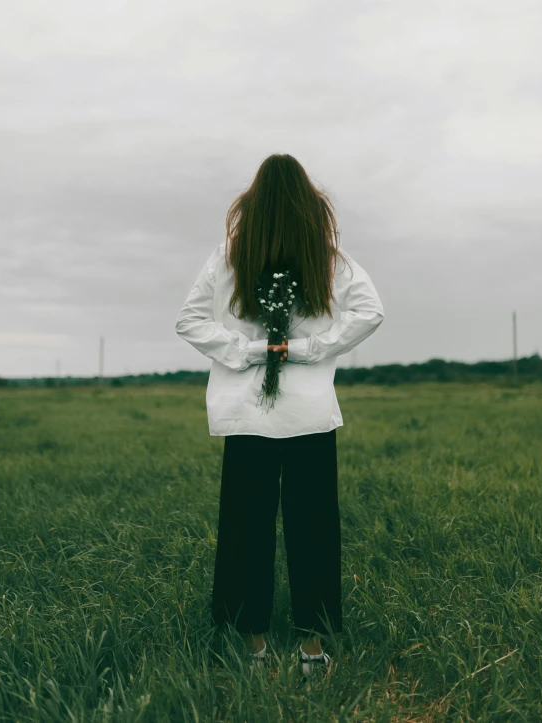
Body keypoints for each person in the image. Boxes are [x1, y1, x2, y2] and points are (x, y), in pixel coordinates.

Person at [175, 153, 384, 676]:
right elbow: (371, 311)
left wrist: (245, 351)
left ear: (255, 202)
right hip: (309, 415)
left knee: (247, 526)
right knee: (313, 527)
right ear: (308, 203)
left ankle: (254, 647)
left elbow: (190, 320)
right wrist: (309, 349)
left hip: (247, 417)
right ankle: (314, 650)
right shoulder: (329, 258)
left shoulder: (230, 256)